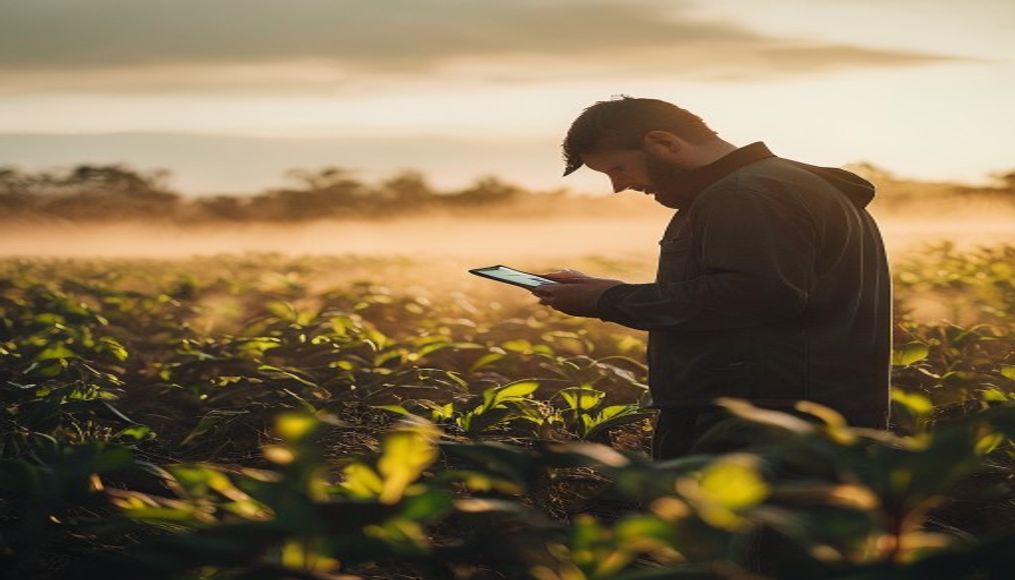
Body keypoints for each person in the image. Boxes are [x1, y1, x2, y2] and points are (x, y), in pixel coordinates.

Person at [532, 96, 891, 460]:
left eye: (619, 169)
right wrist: (608, 293)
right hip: (800, 415)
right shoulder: (784, 185)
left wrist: (608, 300)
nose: (619, 186)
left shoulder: (745, 193)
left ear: (664, 143)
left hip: (758, 425)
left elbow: (755, 296)